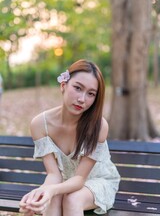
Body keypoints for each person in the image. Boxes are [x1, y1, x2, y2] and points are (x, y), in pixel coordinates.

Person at [19, 59, 120, 216]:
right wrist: (42, 194)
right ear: (63, 85)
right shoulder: (40, 125)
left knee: (72, 199)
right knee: (52, 198)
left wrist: (51, 190)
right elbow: (54, 175)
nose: (82, 99)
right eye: (78, 88)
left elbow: (80, 178)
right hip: (65, 183)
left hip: (98, 181)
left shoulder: (98, 126)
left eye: (91, 94)